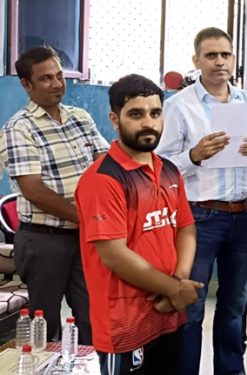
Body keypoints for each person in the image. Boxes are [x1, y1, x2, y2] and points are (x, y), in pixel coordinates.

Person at [156, 27, 247, 375]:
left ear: (233, 59)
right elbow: (160, 167)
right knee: (190, 304)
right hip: (199, 218)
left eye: (225, 55)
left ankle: (230, 371)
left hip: (244, 215)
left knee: (235, 306)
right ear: (197, 61)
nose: (220, 61)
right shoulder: (178, 106)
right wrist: (193, 155)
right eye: (211, 55)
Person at [75, 74, 203, 374]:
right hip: (125, 322)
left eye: (155, 113)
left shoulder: (170, 171)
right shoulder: (103, 180)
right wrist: (174, 289)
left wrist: (178, 283)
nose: (149, 122)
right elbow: (114, 255)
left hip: (168, 314)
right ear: (114, 119)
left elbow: (185, 227)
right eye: (136, 114)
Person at [1, 46, 109, 345]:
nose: (57, 83)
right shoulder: (20, 128)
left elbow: (105, 163)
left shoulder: (80, 118)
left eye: (59, 75)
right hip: (44, 240)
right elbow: (33, 189)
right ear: (27, 84)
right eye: (46, 78)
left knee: (91, 316)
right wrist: (88, 218)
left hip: (84, 237)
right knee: (44, 323)